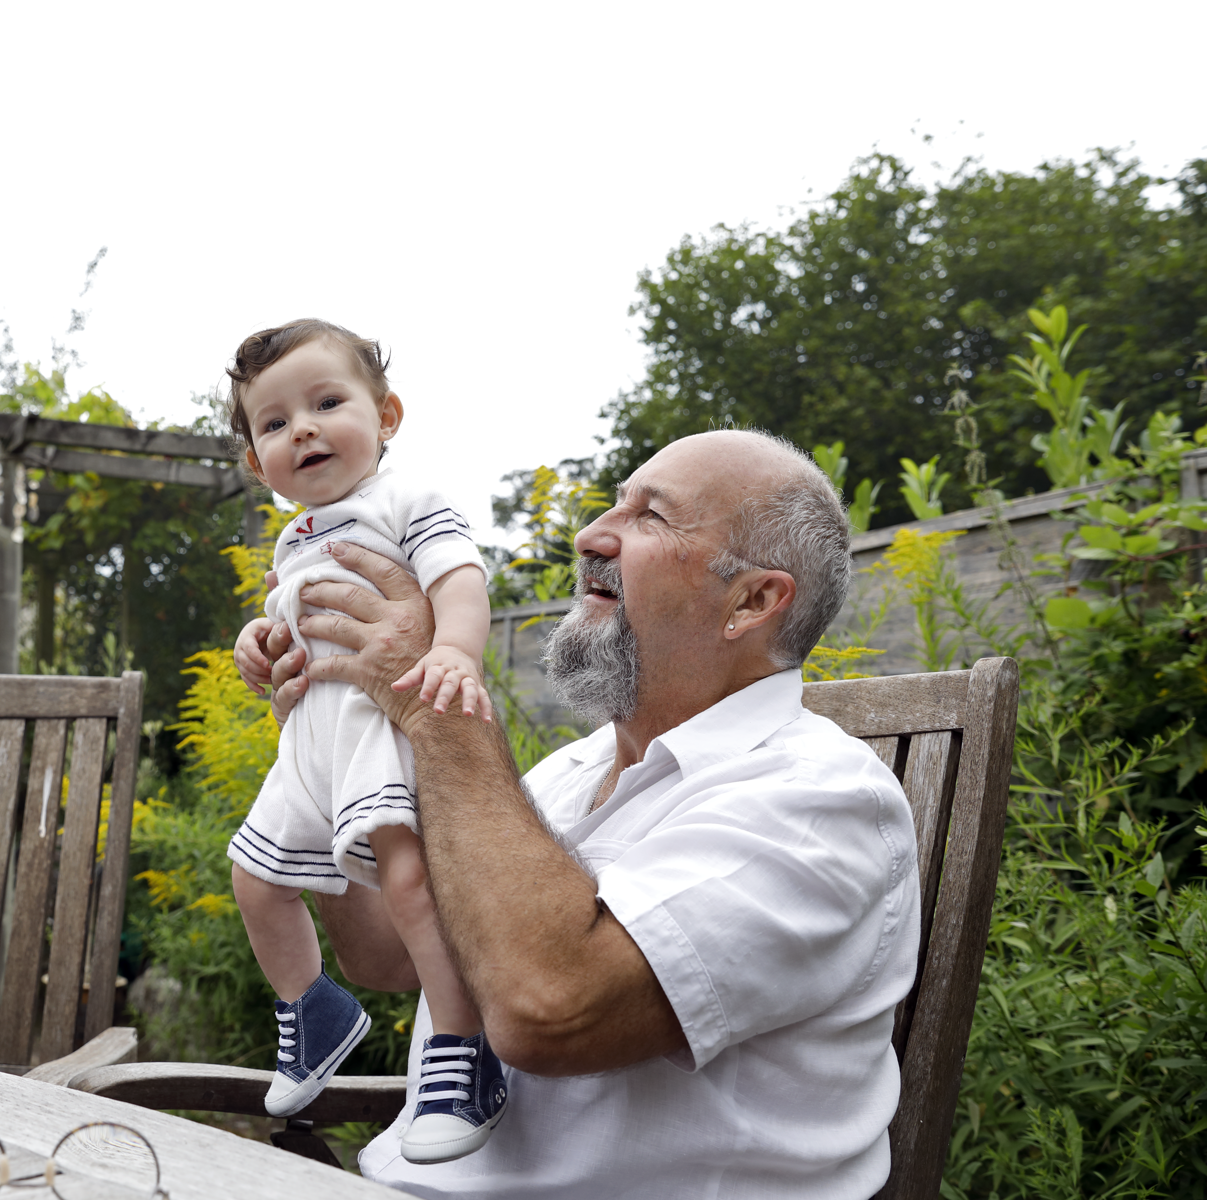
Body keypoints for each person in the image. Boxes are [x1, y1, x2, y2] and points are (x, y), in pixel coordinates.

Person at [252, 429, 919, 1198]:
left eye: (650, 516)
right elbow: (386, 960)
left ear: (753, 601)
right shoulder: (565, 777)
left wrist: (433, 712)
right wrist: (332, 746)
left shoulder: (818, 800)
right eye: (615, 503)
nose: (591, 535)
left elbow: (547, 1012)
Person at [224, 319, 506, 1164]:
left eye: (326, 403)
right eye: (274, 423)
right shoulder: (294, 539)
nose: (302, 430)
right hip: (309, 743)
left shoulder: (405, 501)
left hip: (380, 727)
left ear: (387, 416)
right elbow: (295, 623)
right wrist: (259, 642)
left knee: (410, 880)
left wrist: (454, 651)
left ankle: (462, 1050)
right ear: (258, 464)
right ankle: (315, 1010)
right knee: (255, 878)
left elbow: (460, 579)